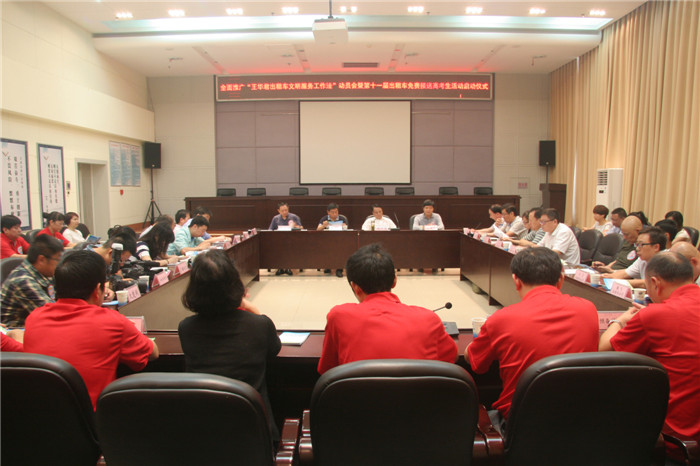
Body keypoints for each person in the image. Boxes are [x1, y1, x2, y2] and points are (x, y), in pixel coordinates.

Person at [467, 248, 598, 432]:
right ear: (561, 279)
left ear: (516, 280)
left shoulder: (501, 319)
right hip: (580, 422)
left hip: (521, 426)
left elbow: (476, 365)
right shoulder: (588, 310)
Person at [23, 250, 158, 408]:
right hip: (91, 419)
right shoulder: (112, 321)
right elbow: (153, 353)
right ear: (97, 290)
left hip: (39, 417)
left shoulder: (34, 318)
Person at [178, 249, 281, 444]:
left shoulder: (186, 328)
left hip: (202, 436)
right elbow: (274, 349)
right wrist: (251, 308)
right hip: (255, 434)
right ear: (235, 284)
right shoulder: (259, 325)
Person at [599, 252, 700, 439]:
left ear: (654, 283)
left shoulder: (655, 316)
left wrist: (620, 321)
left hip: (673, 437)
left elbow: (604, 351)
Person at [317, 244, 457, 374]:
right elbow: (452, 357)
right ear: (394, 280)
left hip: (358, 394)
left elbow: (327, 370)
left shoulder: (338, 317)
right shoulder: (428, 319)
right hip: (416, 393)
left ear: (355, 287)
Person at [0, 235, 63, 327]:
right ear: (41, 259)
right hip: (16, 331)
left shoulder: (44, 273)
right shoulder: (23, 280)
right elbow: (53, 315)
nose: (59, 264)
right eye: (57, 259)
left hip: (35, 326)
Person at [317, 203, 348, 278]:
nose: (335, 214)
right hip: (327, 240)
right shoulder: (324, 219)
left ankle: (339, 269)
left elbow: (346, 230)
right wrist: (323, 225)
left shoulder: (342, 218)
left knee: (340, 249)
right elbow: (318, 229)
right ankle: (328, 266)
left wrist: (344, 227)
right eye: (333, 212)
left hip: (340, 240)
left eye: (336, 212)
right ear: (328, 212)